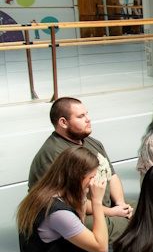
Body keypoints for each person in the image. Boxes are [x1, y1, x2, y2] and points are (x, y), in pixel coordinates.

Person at [29, 97, 134, 242]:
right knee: (135, 224)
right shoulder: (53, 155)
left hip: (105, 204)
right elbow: (68, 201)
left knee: (149, 207)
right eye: (81, 116)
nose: (88, 119)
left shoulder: (93, 143)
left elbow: (112, 176)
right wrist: (111, 212)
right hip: (77, 214)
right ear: (63, 122)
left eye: (87, 114)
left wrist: (120, 204)